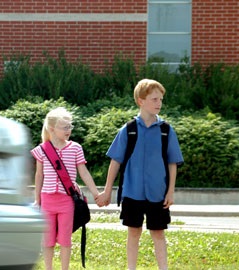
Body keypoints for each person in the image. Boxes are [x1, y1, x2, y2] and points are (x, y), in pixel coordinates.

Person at [96, 79, 184, 270]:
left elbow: (172, 163)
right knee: (133, 232)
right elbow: (115, 161)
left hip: (158, 193)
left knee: (158, 233)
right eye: (154, 99)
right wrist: (107, 190)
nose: (159, 103)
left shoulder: (166, 131)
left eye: (161, 99)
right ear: (140, 101)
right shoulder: (128, 130)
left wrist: (170, 192)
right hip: (132, 191)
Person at [31, 107, 100, 270]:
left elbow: (84, 172)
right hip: (47, 200)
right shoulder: (41, 150)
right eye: (65, 127)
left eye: (70, 126)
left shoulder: (75, 148)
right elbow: (39, 175)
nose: (68, 130)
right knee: (47, 240)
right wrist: (37, 199)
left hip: (67, 201)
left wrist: (96, 193)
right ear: (52, 129)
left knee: (65, 239)